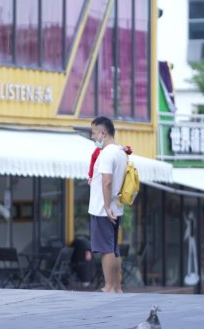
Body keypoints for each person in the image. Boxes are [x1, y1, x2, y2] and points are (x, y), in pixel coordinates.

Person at [88, 116, 128, 293]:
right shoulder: (121, 152)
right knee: (113, 248)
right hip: (116, 207)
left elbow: (106, 181)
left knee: (106, 249)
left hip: (103, 208)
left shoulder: (106, 153)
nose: (93, 137)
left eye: (94, 133)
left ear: (103, 133)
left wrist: (105, 205)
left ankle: (109, 286)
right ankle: (117, 286)